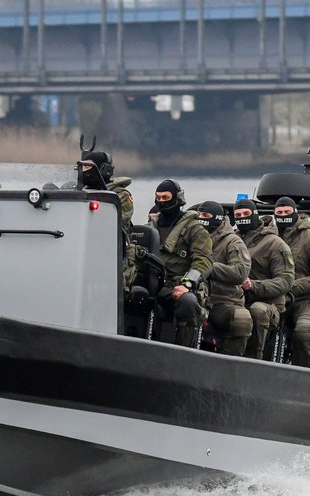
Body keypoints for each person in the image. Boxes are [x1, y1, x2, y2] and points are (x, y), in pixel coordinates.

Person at [150, 180, 213, 349]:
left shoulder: (195, 229)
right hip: (153, 283)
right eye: (158, 198)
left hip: (178, 285)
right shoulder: (151, 227)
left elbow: (203, 261)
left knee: (188, 303)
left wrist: (187, 284)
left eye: (165, 197)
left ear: (177, 198)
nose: (161, 202)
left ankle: (185, 351)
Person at [234, 198, 294, 361]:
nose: (242, 218)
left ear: (255, 214)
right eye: (238, 215)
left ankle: (253, 361)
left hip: (269, 304)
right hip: (236, 299)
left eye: (246, 214)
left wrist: (254, 285)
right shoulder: (232, 240)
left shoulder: (275, 244)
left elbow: (285, 281)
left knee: (257, 310)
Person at [276, 196, 310, 369]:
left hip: (308, 299)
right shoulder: (268, 237)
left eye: (287, 212)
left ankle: (304, 374)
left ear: (295, 212)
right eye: (279, 212)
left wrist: (291, 287)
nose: (283, 216)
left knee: (303, 329)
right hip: (274, 296)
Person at [196, 200, 252, 356]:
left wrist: (208, 267)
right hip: (194, 295)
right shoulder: (191, 234)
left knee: (242, 319)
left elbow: (240, 272)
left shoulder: (232, 241)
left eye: (205, 215)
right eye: (199, 215)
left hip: (222, 301)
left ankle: (229, 362)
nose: (201, 219)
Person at [78, 149, 137, 294]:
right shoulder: (79, 192)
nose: (83, 171)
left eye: (88, 166)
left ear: (103, 169)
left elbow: (110, 223)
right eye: (82, 167)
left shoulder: (120, 196)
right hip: (83, 253)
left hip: (114, 256)